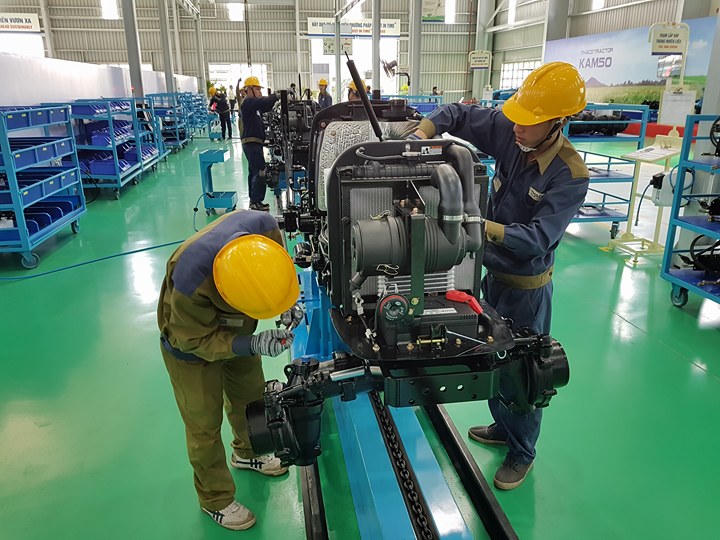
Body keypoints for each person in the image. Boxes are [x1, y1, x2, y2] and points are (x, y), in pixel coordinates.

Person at [411, 62, 590, 490]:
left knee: (524, 370)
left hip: (527, 290)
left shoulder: (569, 175)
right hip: (490, 276)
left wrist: (479, 224)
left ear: (558, 122)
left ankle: (522, 451)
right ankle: (501, 426)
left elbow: (537, 240)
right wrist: (421, 134)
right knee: (493, 355)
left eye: (529, 121)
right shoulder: (514, 133)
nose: (517, 127)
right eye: (518, 117)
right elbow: (457, 114)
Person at [158, 209, 300, 531]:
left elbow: (279, 270)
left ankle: (248, 452)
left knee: (250, 396)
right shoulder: (190, 277)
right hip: (191, 347)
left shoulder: (264, 228)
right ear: (225, 292)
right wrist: (251, 344)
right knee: (203, 425)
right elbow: (192, 339)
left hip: (240, 328)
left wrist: (287, 302)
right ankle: (215, 498)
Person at [241, 76, 278, 211]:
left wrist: (276, 101)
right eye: (257, 89)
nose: (260, 92)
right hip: (251, 143)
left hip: (255, 143)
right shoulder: (248, 103)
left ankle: (254, 201)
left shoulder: (254, 107)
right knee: (260, 171)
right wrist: (276, 95)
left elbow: (266, 105)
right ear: (249, 90)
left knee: (254, 172)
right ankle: (256, 201)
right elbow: (263, 102)